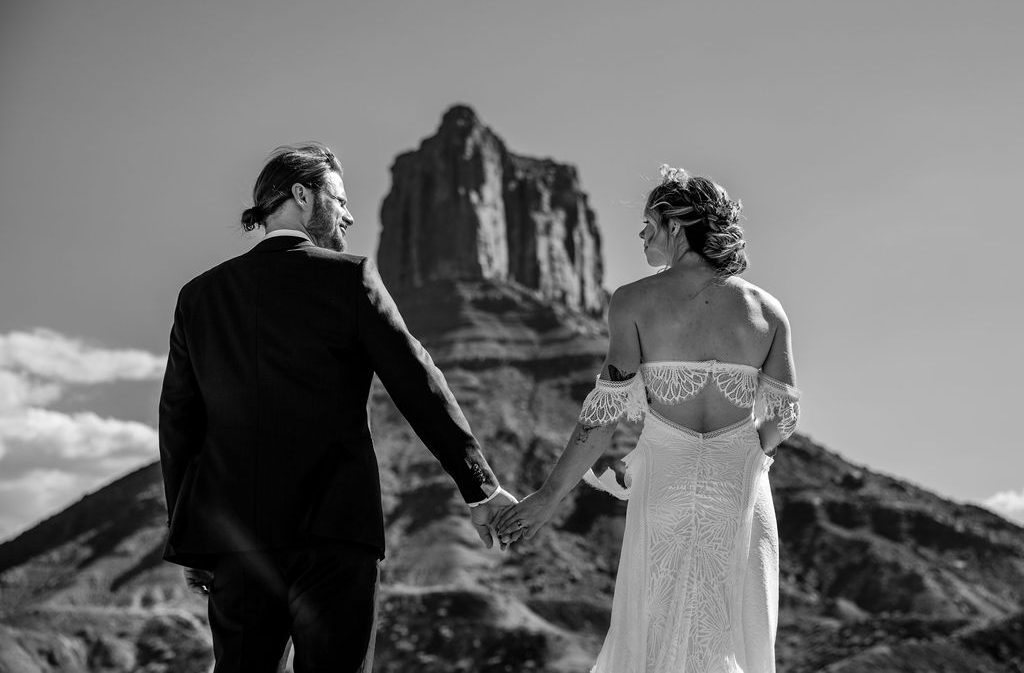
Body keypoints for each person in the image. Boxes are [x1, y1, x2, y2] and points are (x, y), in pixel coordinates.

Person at [158, 143, 516, 673]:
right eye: (340, 199)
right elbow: (417, 383)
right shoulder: (350, 278)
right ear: (302, 196)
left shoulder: (199, 297)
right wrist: (479, 486)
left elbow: (179, 424)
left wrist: (190, 538)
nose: (349, 214)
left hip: (234, 540)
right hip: (334, 534)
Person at [493, 165, 800, 672]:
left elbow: (605, 414)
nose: (641, 236)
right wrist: (746, 454)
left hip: (666, 488)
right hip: (742, 490)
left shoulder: (635, 301)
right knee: (734, 633)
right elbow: (784, 416)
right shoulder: (768, 311)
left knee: (653, 634)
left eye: (648, 224)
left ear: (676, 226)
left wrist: (547, 498)